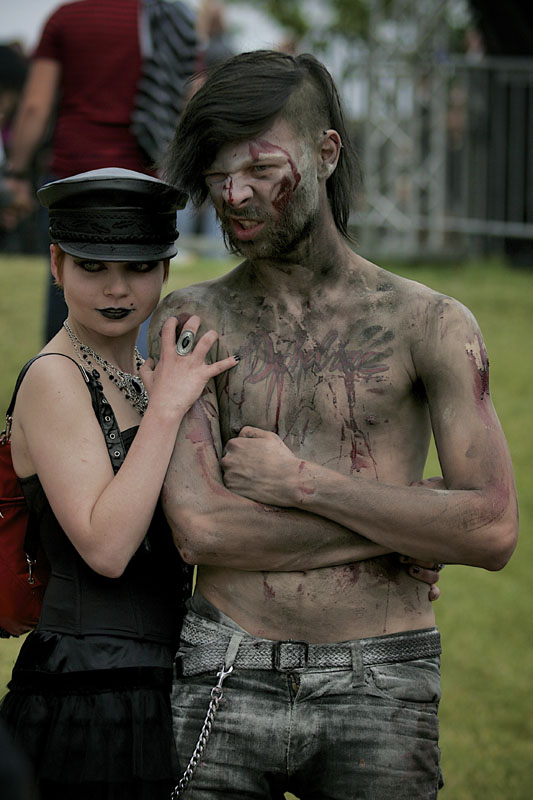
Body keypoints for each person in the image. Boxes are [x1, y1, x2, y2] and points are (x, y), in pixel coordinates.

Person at [148, 50, 519, 798]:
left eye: (258, 168)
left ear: (326, 151)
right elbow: (204, 532)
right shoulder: (193, 322)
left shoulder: (431, 324)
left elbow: (490, 530)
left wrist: (300, 484)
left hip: (382, 677)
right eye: (218, 176)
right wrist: (411, 520)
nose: (234, 194)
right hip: (227, 664)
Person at [0, 167, 238, 800]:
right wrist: (167, 408)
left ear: (165, 268)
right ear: (55, 263)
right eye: (92, 266)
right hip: (85, 697)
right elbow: (106, 549)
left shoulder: (146, 373)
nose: (116, 288)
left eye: (137, 268)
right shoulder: (54, 378)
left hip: (167, 682)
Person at [2, 0, 197, 342]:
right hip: (144, 182)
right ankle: (133, 385)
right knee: (135, 292)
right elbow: (188, 95)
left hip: (73, 179)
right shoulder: (170, 18)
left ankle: (62, 381)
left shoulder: (66, 18)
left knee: (70, 288)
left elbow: (35, 106)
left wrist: (16, 173)